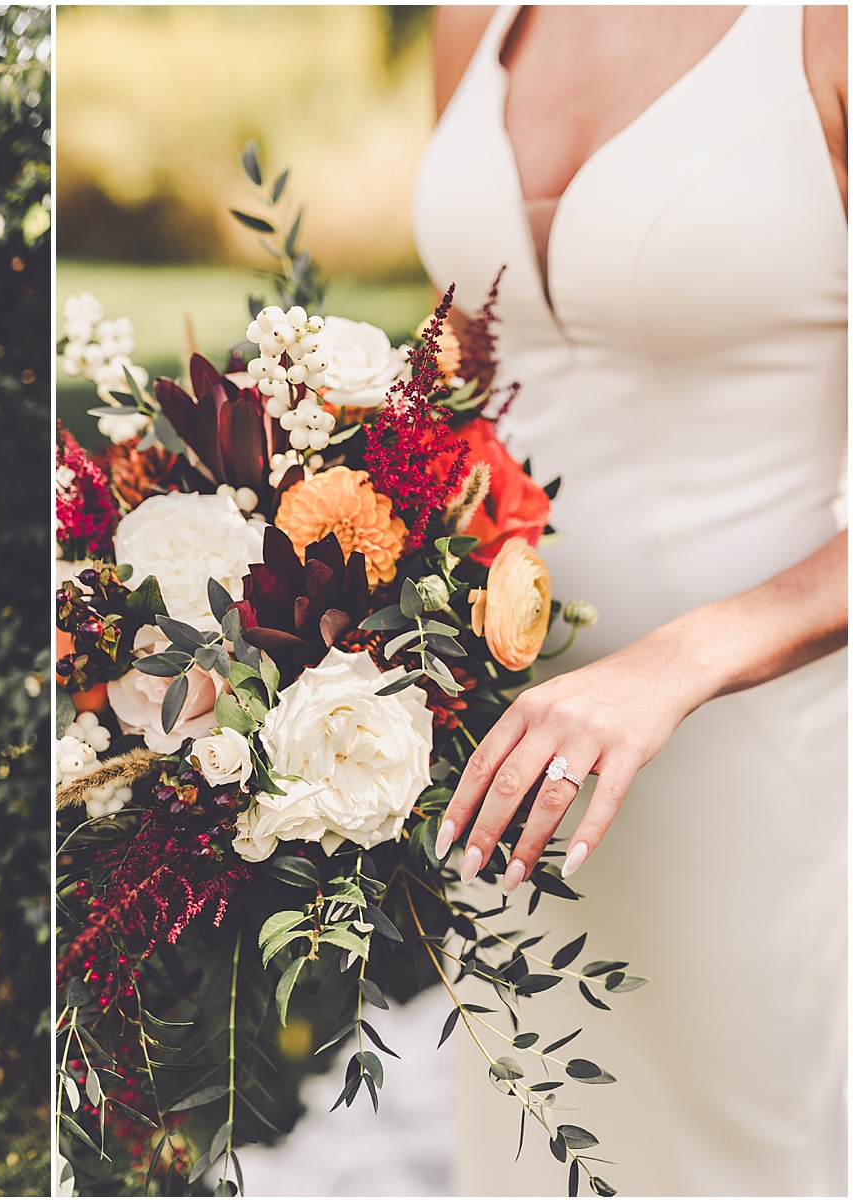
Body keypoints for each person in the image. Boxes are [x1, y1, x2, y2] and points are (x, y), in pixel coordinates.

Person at [414, 5, 847, 1193]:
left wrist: (668, 665)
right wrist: (313, 569)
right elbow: (464, 361)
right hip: (501, 739)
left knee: (741, 1149)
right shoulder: (477, 20)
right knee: (533, 1132)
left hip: (759, 742)